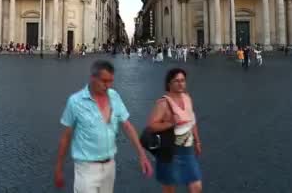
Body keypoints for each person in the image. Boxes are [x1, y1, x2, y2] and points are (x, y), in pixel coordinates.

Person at [54, 60, 153, 192]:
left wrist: (142, 155)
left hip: (109, 167)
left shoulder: (114, 96)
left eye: (111, 81)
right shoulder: (75, 101)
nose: (108, 85)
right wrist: (59, 168)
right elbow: (66, 137)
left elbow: (127, 126)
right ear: (93, 78)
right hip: (86, 169)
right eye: (104, 81)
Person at [148, 68, 202, 192]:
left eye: (183, 80)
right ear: (169, 84)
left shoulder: (187, 98)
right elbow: (152, 126)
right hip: (170, 151)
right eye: (176, 81)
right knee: (170, 189)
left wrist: (197, 141)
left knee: (196, 187)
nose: (180, 83)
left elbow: (192, 121)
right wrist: (171, 123)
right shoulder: (163, 103)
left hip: (187, 151)